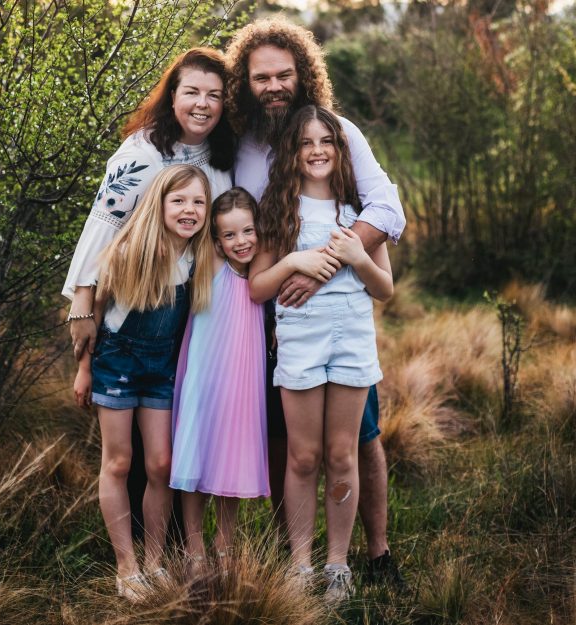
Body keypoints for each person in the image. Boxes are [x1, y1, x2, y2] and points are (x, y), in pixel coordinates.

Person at [224, 16, 406, 587]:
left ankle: (370, 558)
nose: (274, 86)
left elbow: (389, 211)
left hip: (343, 319)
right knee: (292, 446)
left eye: (284, 75)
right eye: (261, 78)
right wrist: (286, 272)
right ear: (246, 84)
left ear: (304, 73)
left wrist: (325, 268)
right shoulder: (243, 145)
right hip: (271, 317)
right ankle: (297, 559)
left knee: (355, 441)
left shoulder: (340, 130)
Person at [64, 48, 233, 544]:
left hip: (194, 316)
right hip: (130, 316)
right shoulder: (142, 153)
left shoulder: (222, 159)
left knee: (172, 449)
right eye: (192, 93)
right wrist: (81, 302)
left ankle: (177, 547)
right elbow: (103, 227)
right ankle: (130, 558)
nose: (203, 105)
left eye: (214, 95)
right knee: (129, 454)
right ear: (172, 96)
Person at [249, 105, 394, 603]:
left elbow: (385, 290)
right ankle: (298, 563)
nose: (316, 151)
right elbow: (258, 287)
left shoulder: (359, 212)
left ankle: (337, 564)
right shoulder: (279, 210)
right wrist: (293, 259)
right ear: (293, 151)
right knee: (303, 454)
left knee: (341, 453)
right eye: (306, 142)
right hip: (300, 343)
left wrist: (357, 256)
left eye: (326, 141)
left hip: (351, 340)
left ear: (340, 148)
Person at [72, 164, 214, 601]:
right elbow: (96, 308)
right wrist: (83, 369)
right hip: (117, 362)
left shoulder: (198, 257)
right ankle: (126, 567)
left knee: (161, 465)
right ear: (160, 204)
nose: (189, 210)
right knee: (118, 462)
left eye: (198, 202)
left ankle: (154, 562)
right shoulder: (132, 249)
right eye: (179, 201)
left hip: (162, 368)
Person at [170, 187, 270, 574]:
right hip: (205, 372)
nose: (240, 242)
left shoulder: (261, 271)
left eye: (247, 232)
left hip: (244, 376)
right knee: (196, 451)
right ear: (215, 240)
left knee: (236, 452)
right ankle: (194, 549)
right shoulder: (212, 262)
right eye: (229, 235)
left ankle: (225, 544)